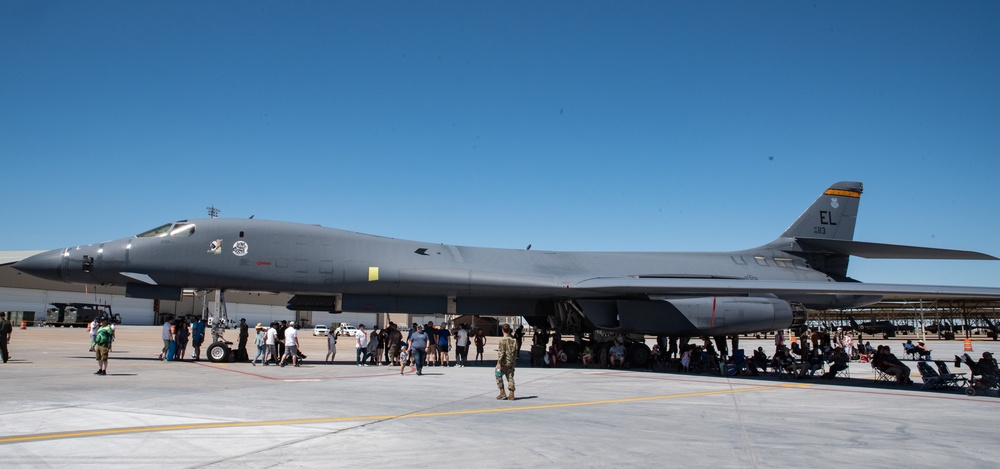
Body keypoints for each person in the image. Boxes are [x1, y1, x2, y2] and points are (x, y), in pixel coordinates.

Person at [496, 323, 517, 400]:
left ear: (502, 330)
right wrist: (513, 361)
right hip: (511, 362)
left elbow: (501, 352)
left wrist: (499, 363)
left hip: (503, 363)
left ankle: (502, 391)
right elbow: (515, 352)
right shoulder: (513, 341)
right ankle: (511, 393)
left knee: (498, 374)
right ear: (509, 330)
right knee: (510, 376)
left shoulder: (502, 340)